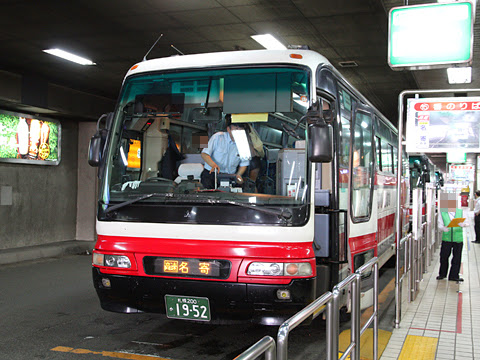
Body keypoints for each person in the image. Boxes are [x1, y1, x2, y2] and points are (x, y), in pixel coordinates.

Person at [200, 115, 249, 189]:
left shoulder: (244, 144)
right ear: (228, 129)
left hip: (230, 176)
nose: (238, 131)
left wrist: (238, 175)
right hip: (211, 174)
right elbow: (204, 154)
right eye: (236, 128)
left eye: (241, 129)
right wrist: (213, 165)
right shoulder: (217, 137)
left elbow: (244, 163)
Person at [436, 193, 468, 282]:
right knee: (444, 256)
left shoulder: (460, 212)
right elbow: (439, 224)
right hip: (447, 238)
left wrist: (464, 224)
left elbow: (467, 222)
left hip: (458, 238)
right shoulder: (442, 213)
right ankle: (442, 274)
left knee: (457, 257)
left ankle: (454, 275)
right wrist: (443, 228)